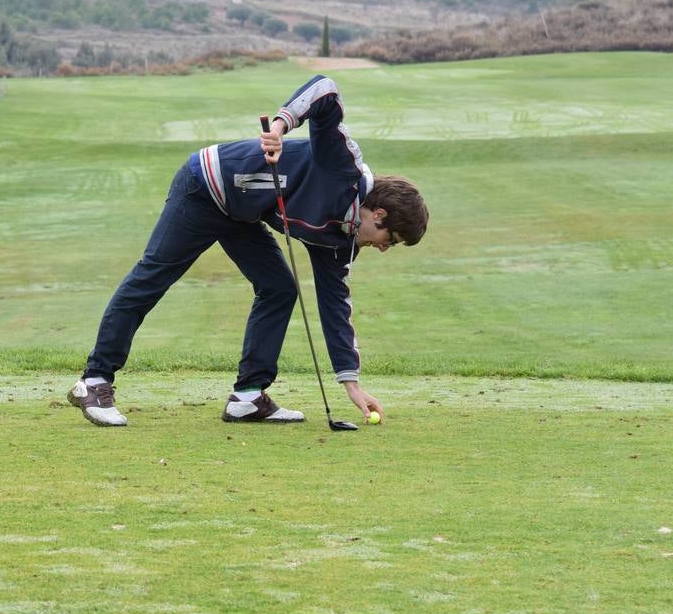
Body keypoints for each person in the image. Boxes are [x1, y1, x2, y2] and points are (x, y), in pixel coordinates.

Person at [68, 74, 428, 427]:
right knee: (153, 276)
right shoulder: (341, 169)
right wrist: (281, 125)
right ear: (378, 214)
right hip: (204, 186)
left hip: (242, 215)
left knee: (279, 289)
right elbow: (326, 91)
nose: (384, 249)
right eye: (390, 239)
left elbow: (335, 305)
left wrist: (351, 384)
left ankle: (248, 396)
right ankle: (95, 381)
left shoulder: (340, 242)